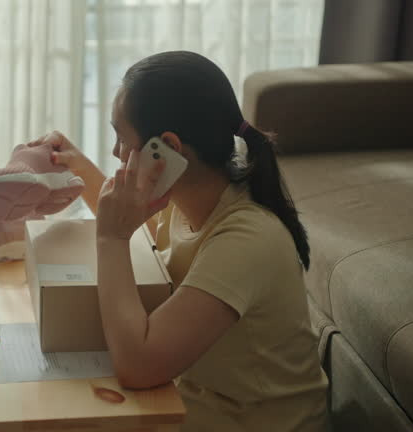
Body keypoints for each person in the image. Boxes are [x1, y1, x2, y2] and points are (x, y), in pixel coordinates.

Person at [34, 51, 329, 432]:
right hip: (199, 407)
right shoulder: (190, 198)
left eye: (122, 138)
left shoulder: (247, 240)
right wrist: (75, 164)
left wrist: (111, 238)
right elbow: (141, 231)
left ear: (168, 149)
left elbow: (137, 366)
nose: (115, 154)